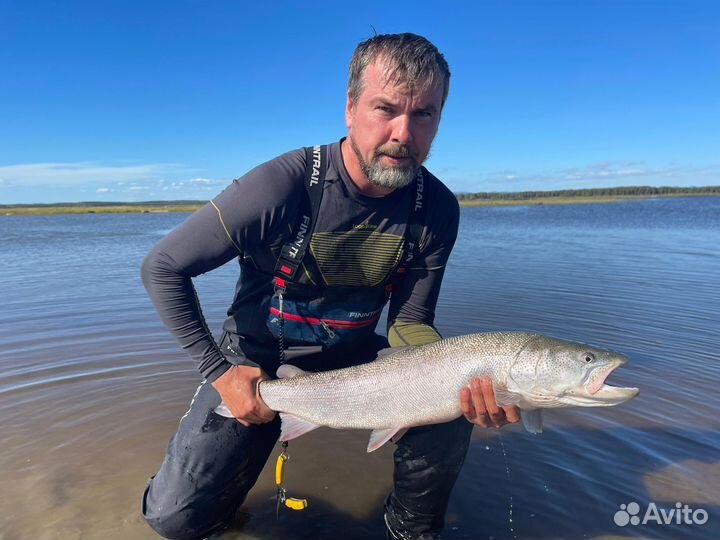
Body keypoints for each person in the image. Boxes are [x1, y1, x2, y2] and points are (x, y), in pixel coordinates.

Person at [140, 32, 520, 540]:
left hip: (356, 363)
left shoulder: (437, 209)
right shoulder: (282, 186)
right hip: (255, 365)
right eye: (385, 109)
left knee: (451, 406)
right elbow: (162, 267)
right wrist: (220, 371)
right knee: (174, 521)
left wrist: (464, 383)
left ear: (439, 119)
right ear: (350, 108)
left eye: (424, 114)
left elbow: (410, 324)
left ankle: (411, 530)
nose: (403, 133)